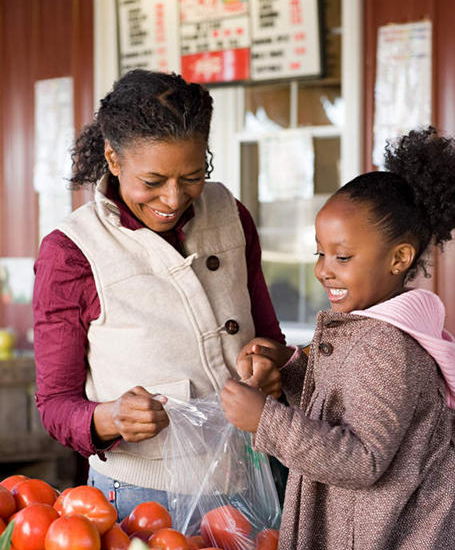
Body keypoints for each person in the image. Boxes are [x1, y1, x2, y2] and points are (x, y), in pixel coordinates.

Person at [221, 126, 455, 550]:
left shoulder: (388, 343)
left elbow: (361, 458)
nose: (324, 269)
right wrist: (290, 366)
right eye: (320, 253)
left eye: (342, 257)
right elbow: (353, 401)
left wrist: (265, 420)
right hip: (381, 541)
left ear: (399, 258)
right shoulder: (381, 328)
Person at [33, 68, 284, 519]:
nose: (173, 198)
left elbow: (268, 337)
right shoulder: (70, 252)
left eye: (192, 176)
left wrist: (269, 364)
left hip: (251, 476)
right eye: (152, 182)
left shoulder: (231, 215)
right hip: (141, 499)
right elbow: (54, 404)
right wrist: (108, 418)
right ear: (113, 158)